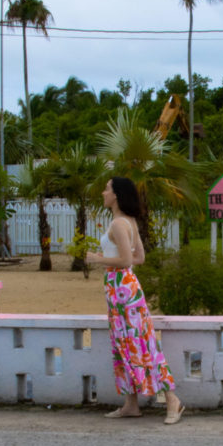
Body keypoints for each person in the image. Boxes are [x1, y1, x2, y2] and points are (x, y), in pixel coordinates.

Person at [87, 176, 185, 423]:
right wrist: (109, 257)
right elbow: (139, 258)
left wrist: (97, 258)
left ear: (116, 195)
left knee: (140, 344)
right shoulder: (128, 221)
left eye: (107, 189)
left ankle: (172, 400)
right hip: (122, 288)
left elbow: (128, 261)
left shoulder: (120, 223)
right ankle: (131, 404)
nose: (103, 192)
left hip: (122, 288)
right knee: (126, 344)